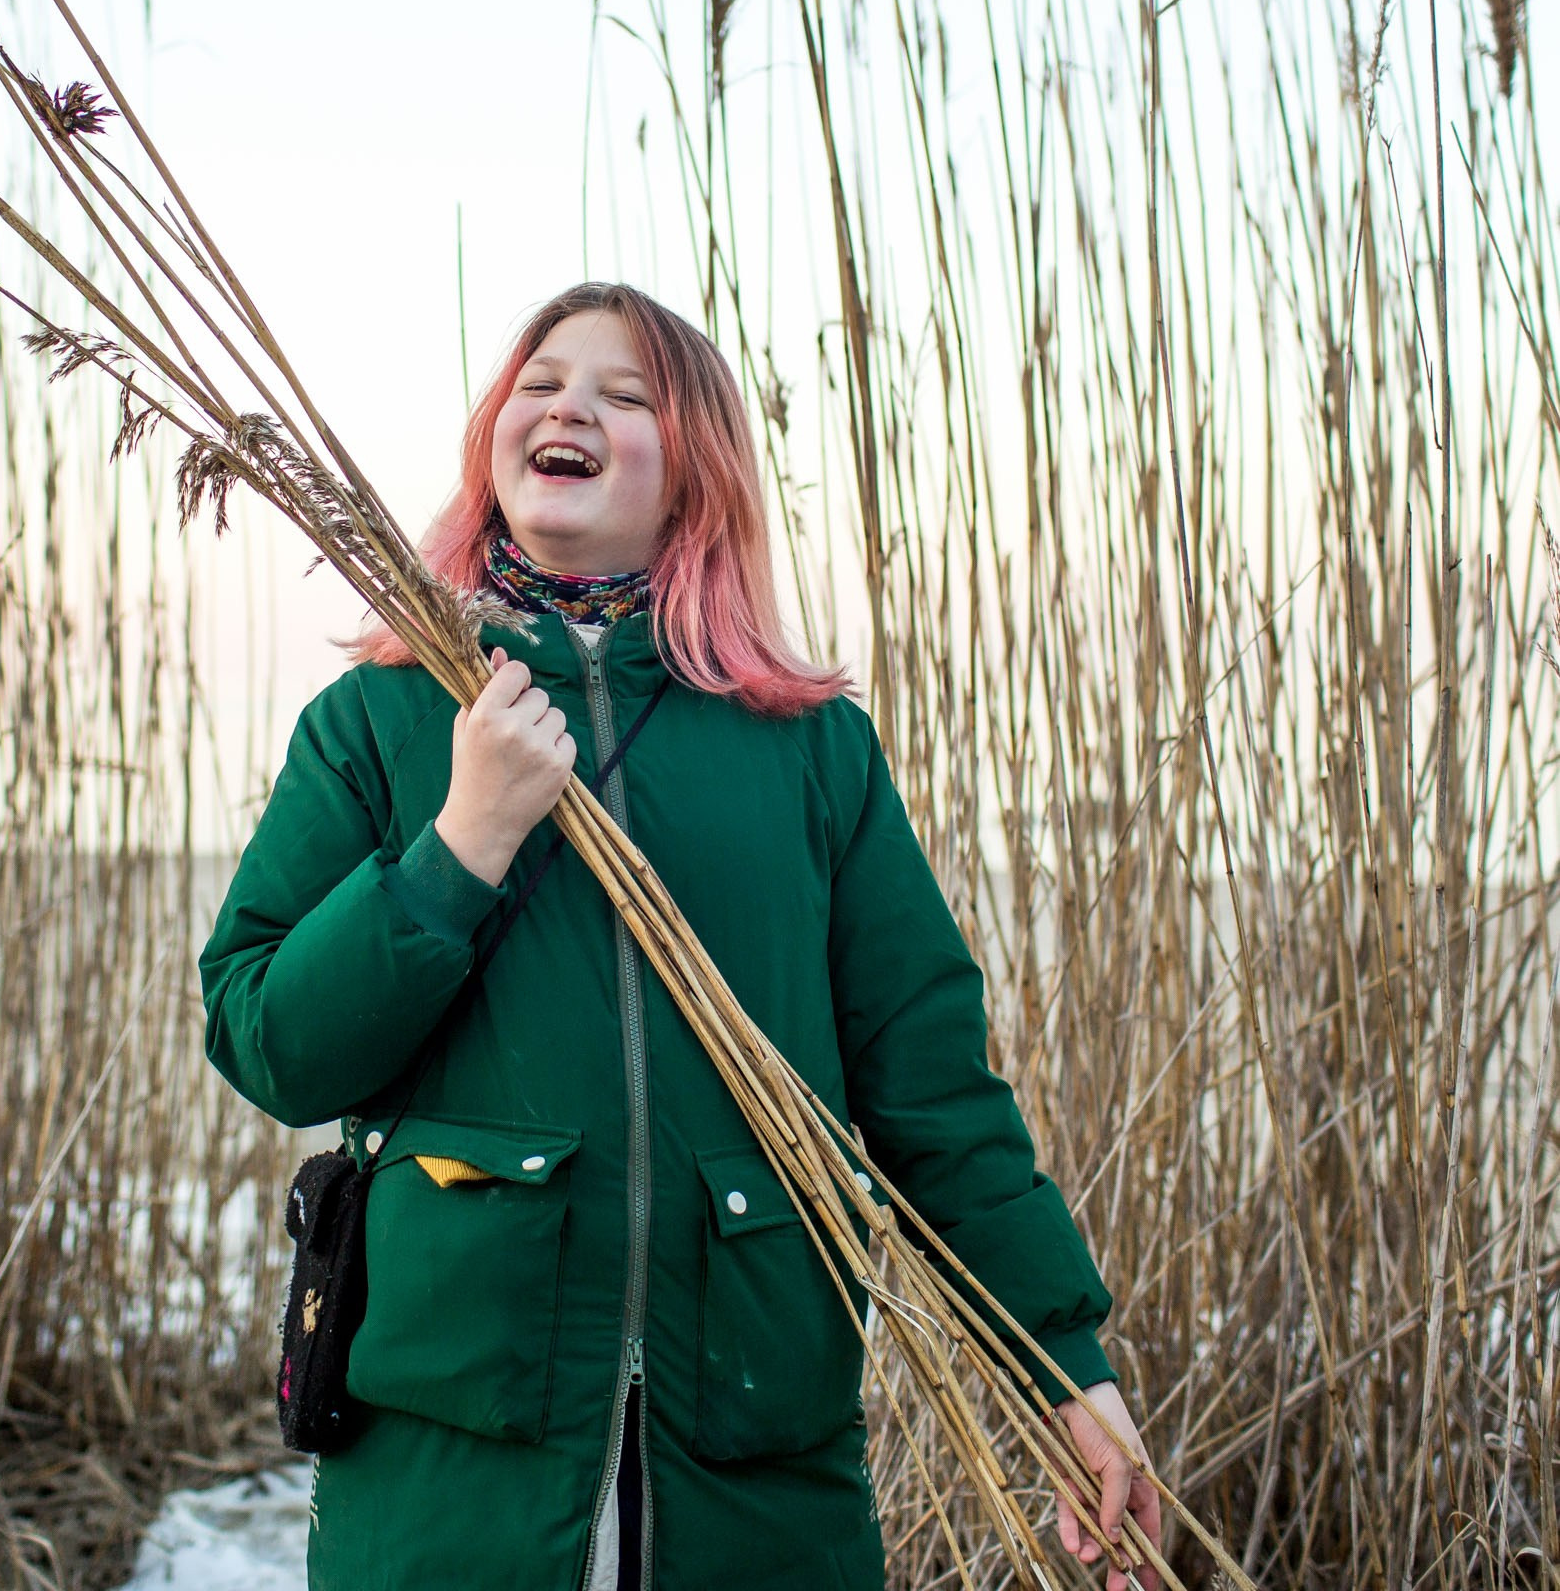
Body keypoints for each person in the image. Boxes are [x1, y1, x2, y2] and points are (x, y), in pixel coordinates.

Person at [199, 282, 1159, 1590]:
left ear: (691, 465)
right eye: (540, 381)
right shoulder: (379, 720)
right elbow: (267, 1039)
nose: (568, 406)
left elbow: (934, 1095)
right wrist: (461, 843)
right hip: (453, 1474)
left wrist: (1071, 1374)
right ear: (497, 434)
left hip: (756, 1472)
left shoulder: (811, 751)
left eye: (625, 393)